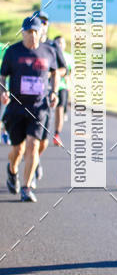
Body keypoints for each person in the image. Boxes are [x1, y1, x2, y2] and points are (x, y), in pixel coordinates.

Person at [0, 15, 64, 202]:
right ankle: (12, 170)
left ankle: (26, 188)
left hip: (38, 107)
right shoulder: (13, 52)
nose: (32, 35)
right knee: (18, 150)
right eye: (28, 32)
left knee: (33, 145)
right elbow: (2, 77)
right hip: (17, 107)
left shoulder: (48, 51)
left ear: (40, 32)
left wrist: (54, 92)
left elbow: (55, 73)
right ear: (22, 33)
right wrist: (3, 91)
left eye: (35, 31)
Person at [32, 12, 66, 185]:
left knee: (43, 141)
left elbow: (64, 69)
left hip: (45, 97)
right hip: (25, 97)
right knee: (27, 139)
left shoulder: (53, 46)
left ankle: (35, 160)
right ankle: (27, 169)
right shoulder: (26, 44)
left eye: (45, 22)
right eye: (39, 21)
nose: (42, 24)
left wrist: (50, 72)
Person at [52, 35, 72, 146]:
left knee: (60, 110)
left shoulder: (69, 57)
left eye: (62, 42)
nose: (60, 45)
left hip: (63, 86)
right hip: (50, 86)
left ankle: (57, 134)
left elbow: (71, 72)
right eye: (57, 42)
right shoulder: (50, 54)